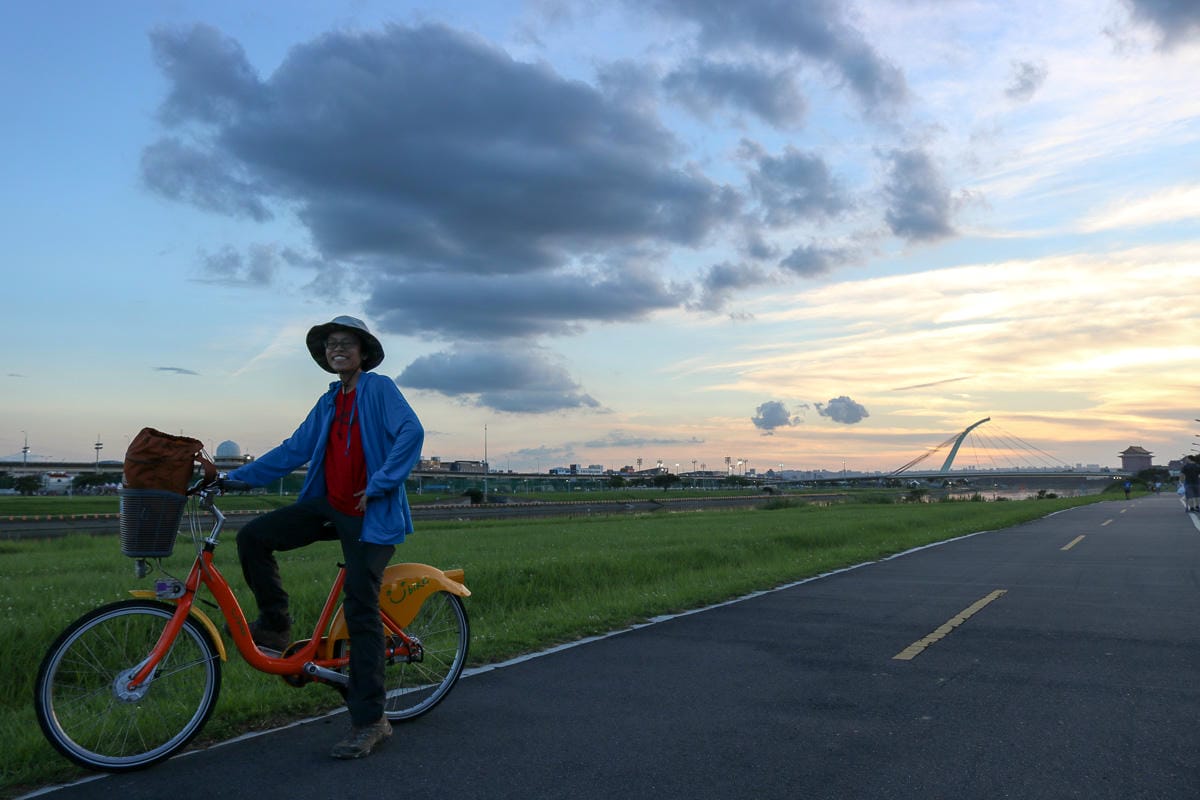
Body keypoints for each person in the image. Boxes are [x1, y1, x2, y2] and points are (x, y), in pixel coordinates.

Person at [225, 315, 424, 759]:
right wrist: (233, 480)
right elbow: (293, 449)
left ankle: (372, 720)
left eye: (346, 343)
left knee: (360, 606)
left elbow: (412, 432)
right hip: (331, 504)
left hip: (371, 511)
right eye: (331, 344)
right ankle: (276, 626)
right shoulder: (330, 400)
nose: (337, 349)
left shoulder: (380, 388)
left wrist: (382, 482)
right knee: (254, 537)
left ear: (362, 352)